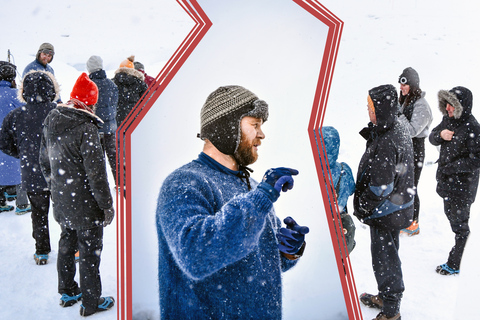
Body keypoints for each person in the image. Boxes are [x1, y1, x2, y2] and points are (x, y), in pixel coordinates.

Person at [156, 85, 309, 319]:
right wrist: (261, 198)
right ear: (227, 127)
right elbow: (195, 256)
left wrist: (286, 252)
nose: (262, 134)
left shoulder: (254, 187)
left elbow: (258, 261)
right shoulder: (184, 182)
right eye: (255, 124)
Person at [39, 72, 115, 317]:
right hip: (86, 203)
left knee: (66, 244)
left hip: (63, 200)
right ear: (89, 102)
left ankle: (68, 291)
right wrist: (106, 205)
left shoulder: (52, 118)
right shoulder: (87, 129)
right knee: (90, 253)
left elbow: (44, 161)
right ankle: (91, 302)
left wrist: (56, 188)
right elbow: (97, 175)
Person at [354, 84, 414, 320]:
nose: (368, 112)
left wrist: (363, 207)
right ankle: (387, 295)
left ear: (382, 109)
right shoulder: (395, 127)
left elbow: (381, 187)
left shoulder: (389, 138)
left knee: (384, 259)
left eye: (371, 107)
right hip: (398, 206)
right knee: (389, 255)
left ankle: (391, 310)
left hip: (386, 211)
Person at [0, 70, 59, 265]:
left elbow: (4, 142)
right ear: (52, 89)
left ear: (24, 91)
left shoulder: (16, 115)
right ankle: (72, 249)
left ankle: (42, 251)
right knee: (67, 211)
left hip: (31, 171)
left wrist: (23, 153)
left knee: (38, 213)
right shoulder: (60, 111)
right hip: (59, 171)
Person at [429, 86, 480, 276]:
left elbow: (477, 159)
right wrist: (440, 135)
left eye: (451, 105)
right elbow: (432, 138)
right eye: (446, 105)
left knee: (461, 227)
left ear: (462, 106)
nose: (448, 109)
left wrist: (452, 168)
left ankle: (457, 262)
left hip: (462, 186)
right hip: (447, 183)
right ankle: (466, 255)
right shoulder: (447, 120)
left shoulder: (473, 127)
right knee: (454, 220)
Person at [397, 67, 433, 236]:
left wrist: (398, 114)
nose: (401, 87)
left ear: (413, 85)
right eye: (400, 84)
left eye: (404, 84)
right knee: (401, 184)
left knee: (411, 186)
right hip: (403, 148)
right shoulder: (405, 101)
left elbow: (412, 131)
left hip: (415, 149)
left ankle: (413, 223)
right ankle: (403, 217)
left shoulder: (422, 106)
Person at [0, 61, 31, 213]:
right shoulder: (15, 95)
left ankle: (1, 203)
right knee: (18, 169)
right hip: (12, 137)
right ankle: (22, 204)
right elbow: (25, 115)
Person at [321, 126, 356, 253]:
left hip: (320, 229)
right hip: (340, 229)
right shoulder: (344, 170)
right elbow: (352, 190)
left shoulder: (313, 173)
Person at [86, 55, 119, 182]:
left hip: (94, 128)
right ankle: (120, 182)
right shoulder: (111, 84)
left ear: (89, 69)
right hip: (110, 127)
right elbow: (115, 103)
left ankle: (100, 183)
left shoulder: (88, 84)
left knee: (97, 159)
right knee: (113, 155)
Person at [113, 55, 148, 126]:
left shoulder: (113, 83)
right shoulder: (140, 83)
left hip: (117, 118)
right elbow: (147, 101)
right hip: (135, 117)